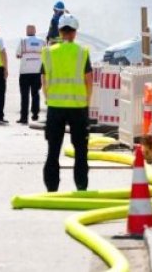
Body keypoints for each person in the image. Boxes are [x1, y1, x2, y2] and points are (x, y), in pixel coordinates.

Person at [41, 13, 93, 192]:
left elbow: (44, 80)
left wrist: (49, 98)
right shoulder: (82, 52)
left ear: (60, 31)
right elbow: (89, 80)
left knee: (53, 150)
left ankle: (51, 189)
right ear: (75, 32)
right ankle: (81, 187)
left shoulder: (48, 52)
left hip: (55, 108)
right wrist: (86, 102)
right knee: (80, 152)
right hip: (78, 109)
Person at [16, 24, 45, 124]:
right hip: (37, 72)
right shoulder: (42, 41)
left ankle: (24, 118)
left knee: (24, 95)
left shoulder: (23, 40)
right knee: (35, 94)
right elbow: (46, 56)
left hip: (24, 72)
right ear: (35, 31)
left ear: (27, 31)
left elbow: (18, 55)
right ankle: (35, 115)